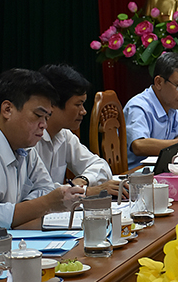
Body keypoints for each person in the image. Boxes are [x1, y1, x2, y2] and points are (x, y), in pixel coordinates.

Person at [0, 69, 83, 227]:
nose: (44, 125)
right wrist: (43, 204)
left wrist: (22, 211)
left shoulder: (26, 149)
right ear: (7, 109)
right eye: (38, 115)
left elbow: (46, 188)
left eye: (46, 117)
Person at [35, 64, 119, 196]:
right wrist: (87, 191)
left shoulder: (64, 135)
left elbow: (101, 166)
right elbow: (39, 192)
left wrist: (82, 180)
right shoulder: (30, 139)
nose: (83, 111)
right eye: (78, 104)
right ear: (52, 104)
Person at [124, 52, 178, 168]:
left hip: (162, 171)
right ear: (159, 82)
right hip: (137, 174)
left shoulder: (171, 107)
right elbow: (139, 145)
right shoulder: (138, 107)